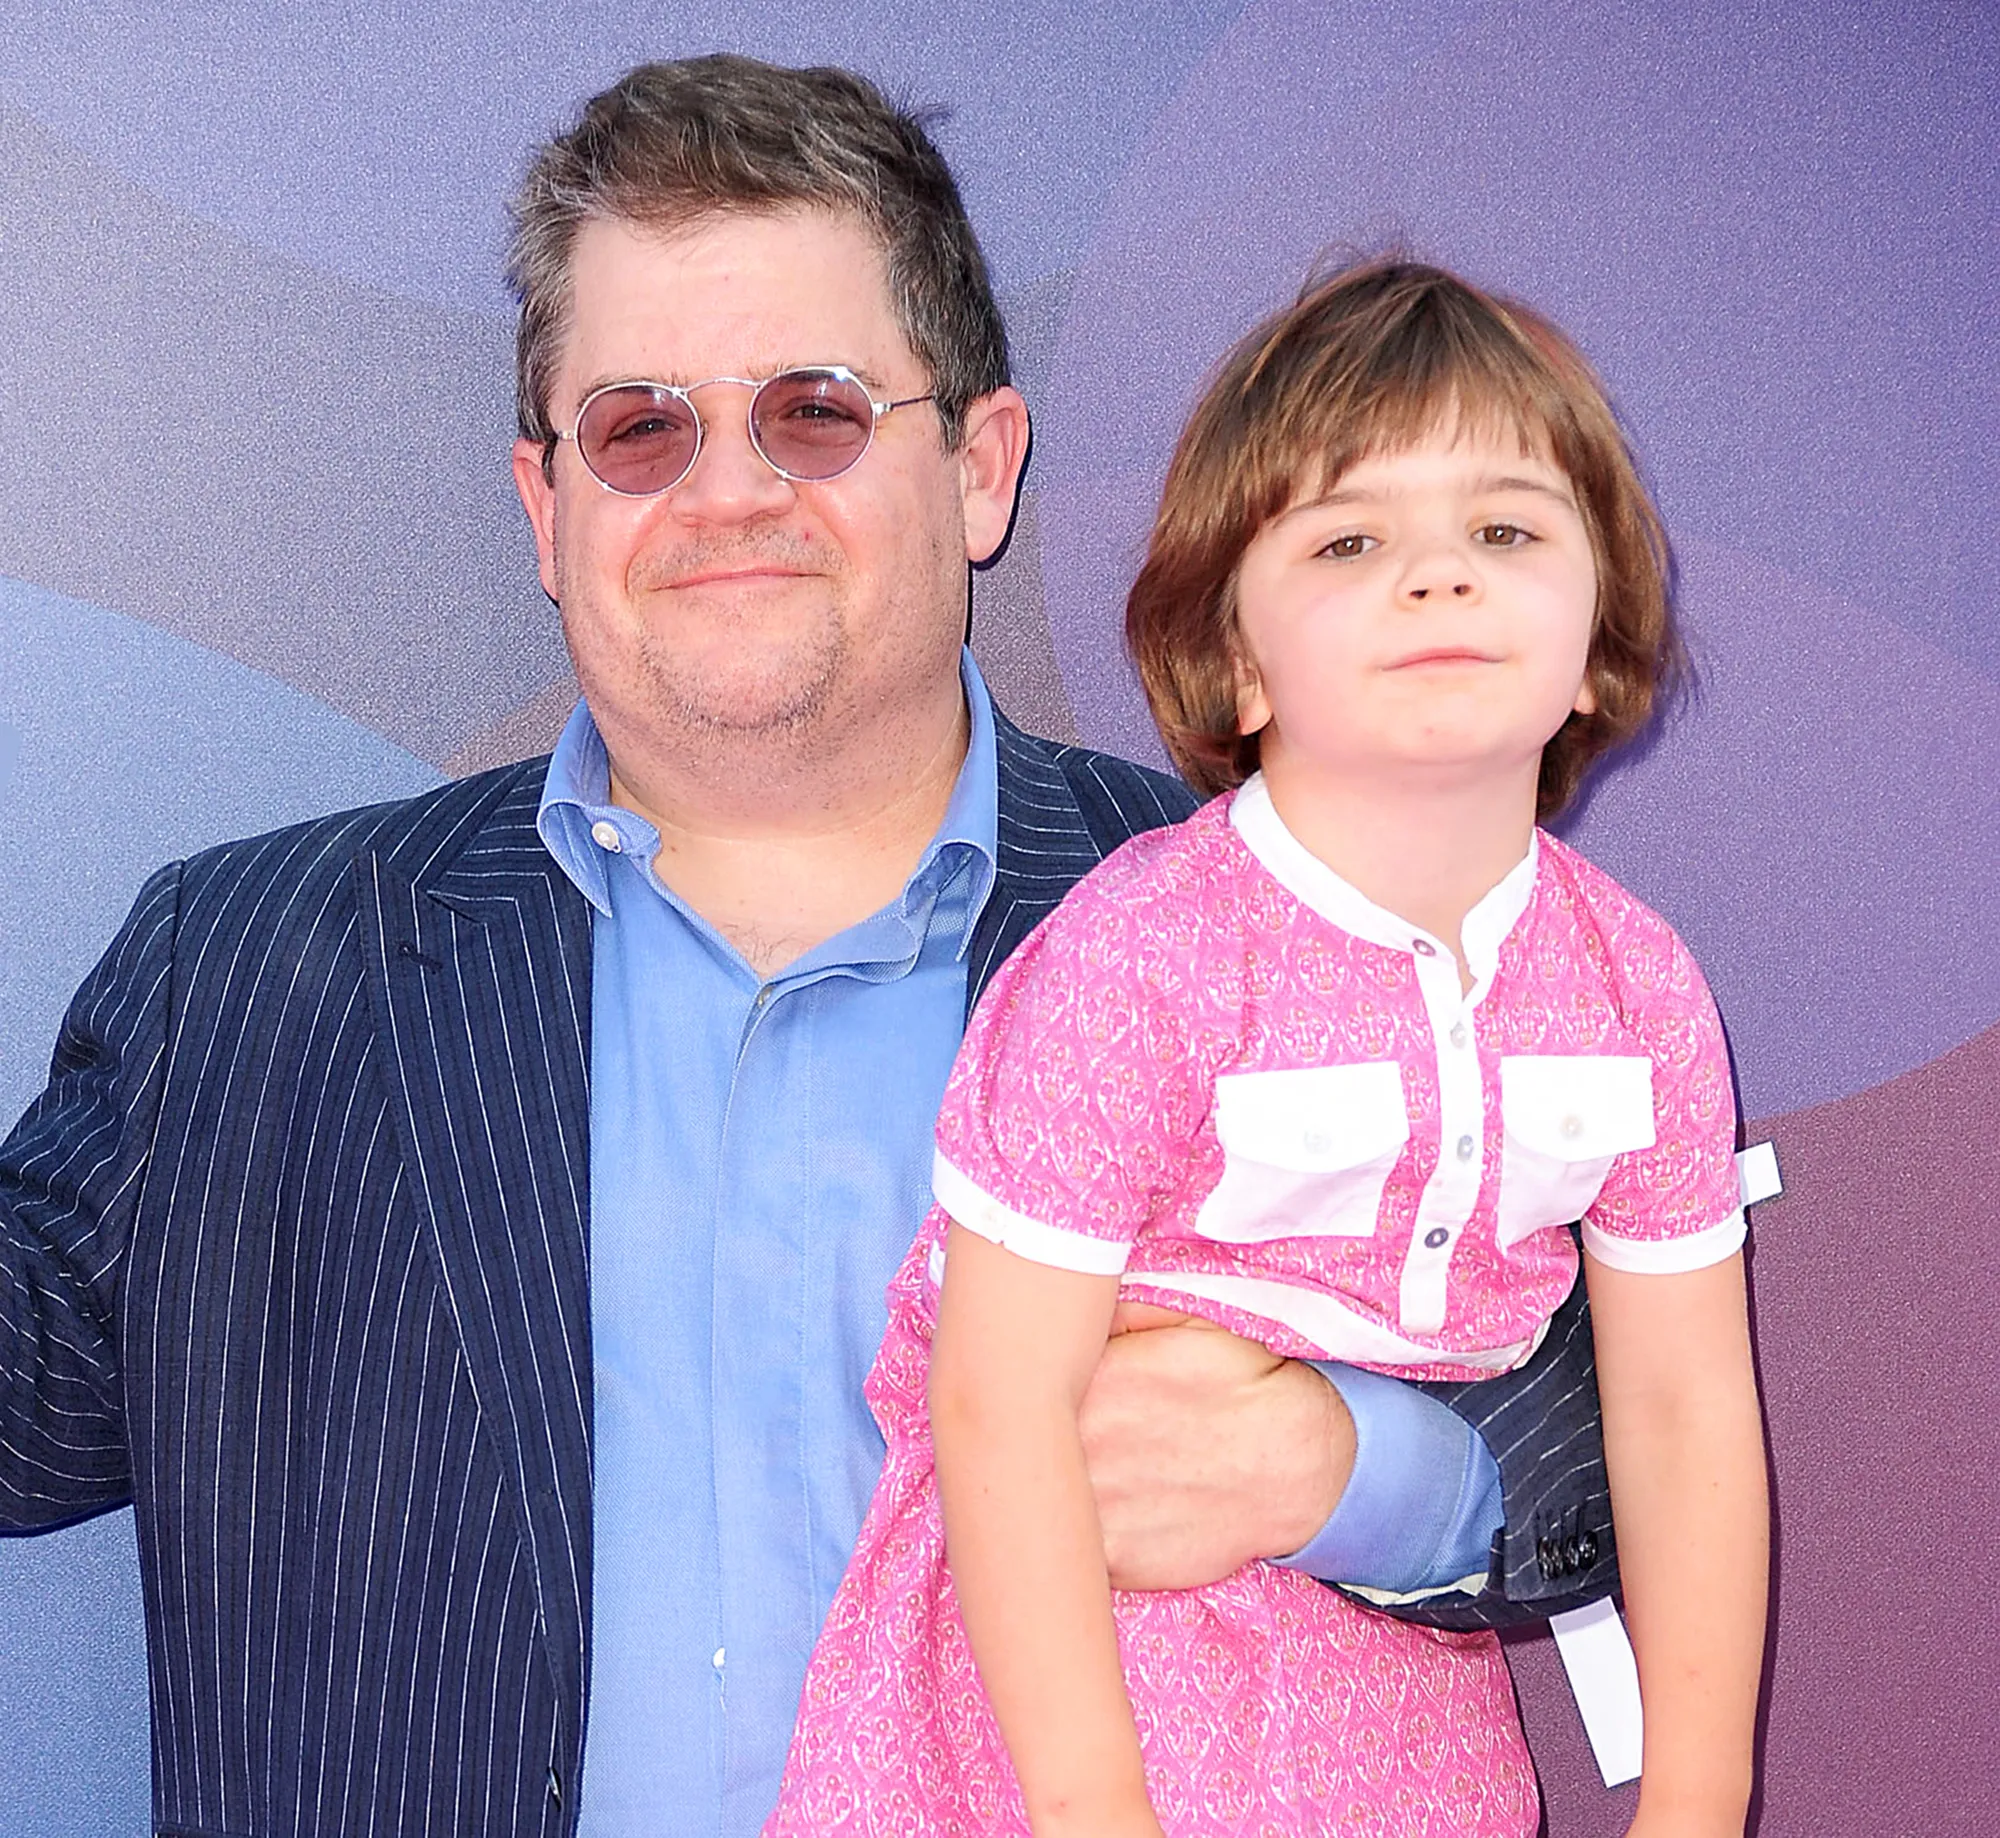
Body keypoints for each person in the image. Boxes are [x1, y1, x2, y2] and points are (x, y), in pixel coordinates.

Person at [0, 61, 1618, 1838]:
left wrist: (1344, 1465)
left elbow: (1602, 1437)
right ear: (547, 511)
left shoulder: (1305, 918)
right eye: (639, 427)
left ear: (982, 466)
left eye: (816, 411)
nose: (727, 491)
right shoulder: (237, 977)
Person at [766, 260, 1768, 1838]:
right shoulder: (1140, 957)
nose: (1438, 578)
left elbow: (1684, 1409)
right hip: (1054, 1662)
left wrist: (1697, 1803)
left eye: (1505, 530)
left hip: (1383, 1673)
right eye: (1352, 539)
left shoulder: (1638, 987)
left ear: (1598, 639)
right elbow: (999, 1406)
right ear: (1236, 662)